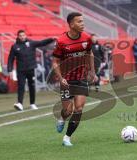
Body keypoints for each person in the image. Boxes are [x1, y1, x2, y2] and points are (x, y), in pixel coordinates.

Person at [52, 12, 98, 146]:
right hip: (66, 79)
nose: (83, 24)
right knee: (68, 111)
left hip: (81, 78)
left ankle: (67, 137)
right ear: (71, 24)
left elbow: (90, 54)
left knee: (78, 109)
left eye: (83, 21)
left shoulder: (87, 38)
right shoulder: (61, 41)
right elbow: (55, 61)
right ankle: (62, 118)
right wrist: (60, 78)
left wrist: (92, 72)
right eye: (79, 22)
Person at [7, 30, 54, 111]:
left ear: (25, 35)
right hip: (20, 70)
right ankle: (20, 103)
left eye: (23, 35)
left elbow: (41, 43)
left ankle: (32, 103)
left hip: (31, 69)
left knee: (32, 86)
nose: (22, 37)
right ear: (18, 36)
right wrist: (10, 70)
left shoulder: (31, 43)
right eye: (20, 36)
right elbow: (10, 59)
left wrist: (51, 39)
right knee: (21, 86)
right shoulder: (14, 46)